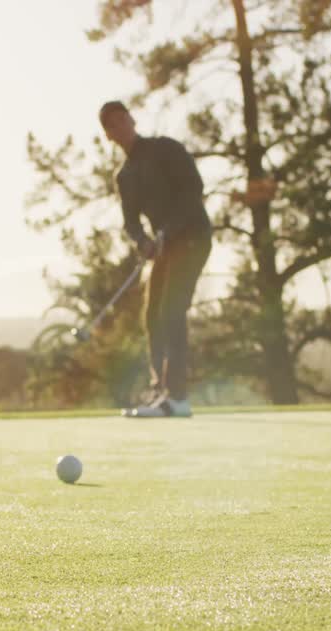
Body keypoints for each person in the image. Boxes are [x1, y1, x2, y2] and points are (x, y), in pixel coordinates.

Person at [99, 100, 212, 418]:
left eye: (123, 119)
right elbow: (131, 223)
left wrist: (168, 229)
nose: (121, 126)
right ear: (108, 135)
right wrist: (143, 241)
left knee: (172, 310)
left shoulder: (165, 149)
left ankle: (177, 398)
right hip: (165, 247)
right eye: (113, 124)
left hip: (192, 237)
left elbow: (194, 190)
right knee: (152, 315)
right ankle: (161, 391)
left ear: (132, 120)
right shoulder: (125, 176)